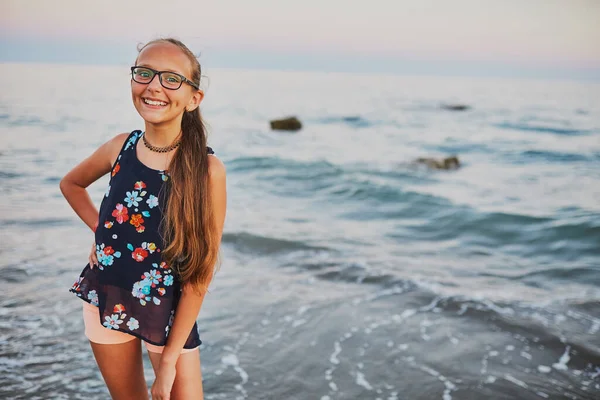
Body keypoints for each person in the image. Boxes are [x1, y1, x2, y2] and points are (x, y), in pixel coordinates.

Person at [60, 37, 227, 400]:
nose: (154, 86)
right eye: (145, 73)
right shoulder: (120, 146)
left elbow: (200, 273)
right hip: (107, 295)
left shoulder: (206, 171)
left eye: (171, 78)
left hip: (167, 311)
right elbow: (71, 184)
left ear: (193, 98)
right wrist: (102, 232)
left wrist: (168, 361)